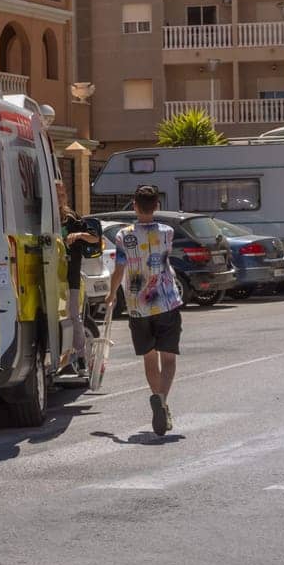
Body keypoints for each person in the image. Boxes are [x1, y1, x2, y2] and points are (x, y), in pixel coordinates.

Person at [105, 184, 183, 436]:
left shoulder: (122, 235)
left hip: (137, 306)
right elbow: (164, 257)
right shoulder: (167, 232)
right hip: (166, 301)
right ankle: (161, 400)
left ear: (134, 206)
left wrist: (110, 294)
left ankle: (157, 399)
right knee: (168, 358)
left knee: (149, 358)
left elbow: (119, 268)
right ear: (157, 206)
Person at [57, 179, 102, 370]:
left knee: (74, 315)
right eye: (56, 194)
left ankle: (81, 358)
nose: (59, 198)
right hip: (50, 276)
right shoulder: (41, 216)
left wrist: (79, 235)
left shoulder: (72, 219)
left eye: (62, 194)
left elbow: (95, 237)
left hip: (70, 276)